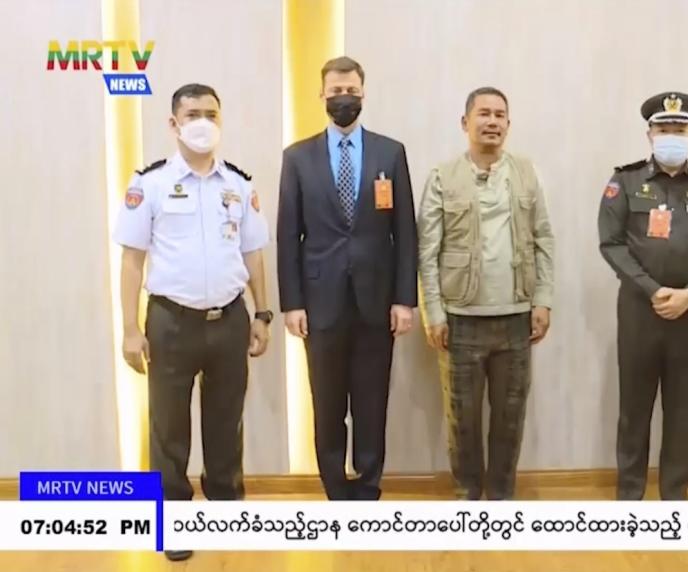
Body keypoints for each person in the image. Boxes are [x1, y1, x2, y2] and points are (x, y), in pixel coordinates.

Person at [113, 83, 271, 561]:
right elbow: (132, 261)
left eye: (211, 114)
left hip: (230, 320)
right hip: (170, 321)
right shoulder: (150, 184)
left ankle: (225, 507)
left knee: (227, 423)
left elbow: (253, 254)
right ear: (173, 123)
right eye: (192, 113)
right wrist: (129, 329)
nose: (202, 122)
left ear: (220, 121)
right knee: (169, 427)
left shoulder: (239, 184)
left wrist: (262, 313)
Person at [277, 56, 417, 501]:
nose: (344, 99)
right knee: (328, 400)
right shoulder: (297, 157)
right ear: (321, 95)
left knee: (373, 398)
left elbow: (405, 231)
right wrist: (292, 303)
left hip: (378, 300)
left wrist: (404, 299)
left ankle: (370, 482)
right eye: (335, 91)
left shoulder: (389, 152)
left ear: (363, 94)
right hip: (319, 302)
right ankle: (335, 485)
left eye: (352, 91)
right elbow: (287, 234)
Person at [417, 87, 554, 500]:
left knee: (510, 416)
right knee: (462, 417)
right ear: (465, 123)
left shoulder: (528, 172)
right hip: (460, 319)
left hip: (516, 316)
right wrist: (434, 313)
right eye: (483, 114)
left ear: (508, 125)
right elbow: (427, 249)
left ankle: (501, 495)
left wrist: (543, 299)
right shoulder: (443, 176)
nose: (492, 121)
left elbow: (543, 236)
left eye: (500, 115)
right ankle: (467, 492)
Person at [598, 92, 688, 500]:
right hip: (640, 311)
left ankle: (675, 496)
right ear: (649, 133)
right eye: (663, 129)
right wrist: (655, 291)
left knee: (682, 411)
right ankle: (630, 495)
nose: (671, 135)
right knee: (634, 409)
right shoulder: (625, 180)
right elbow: (612, 243)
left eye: (680, 129)